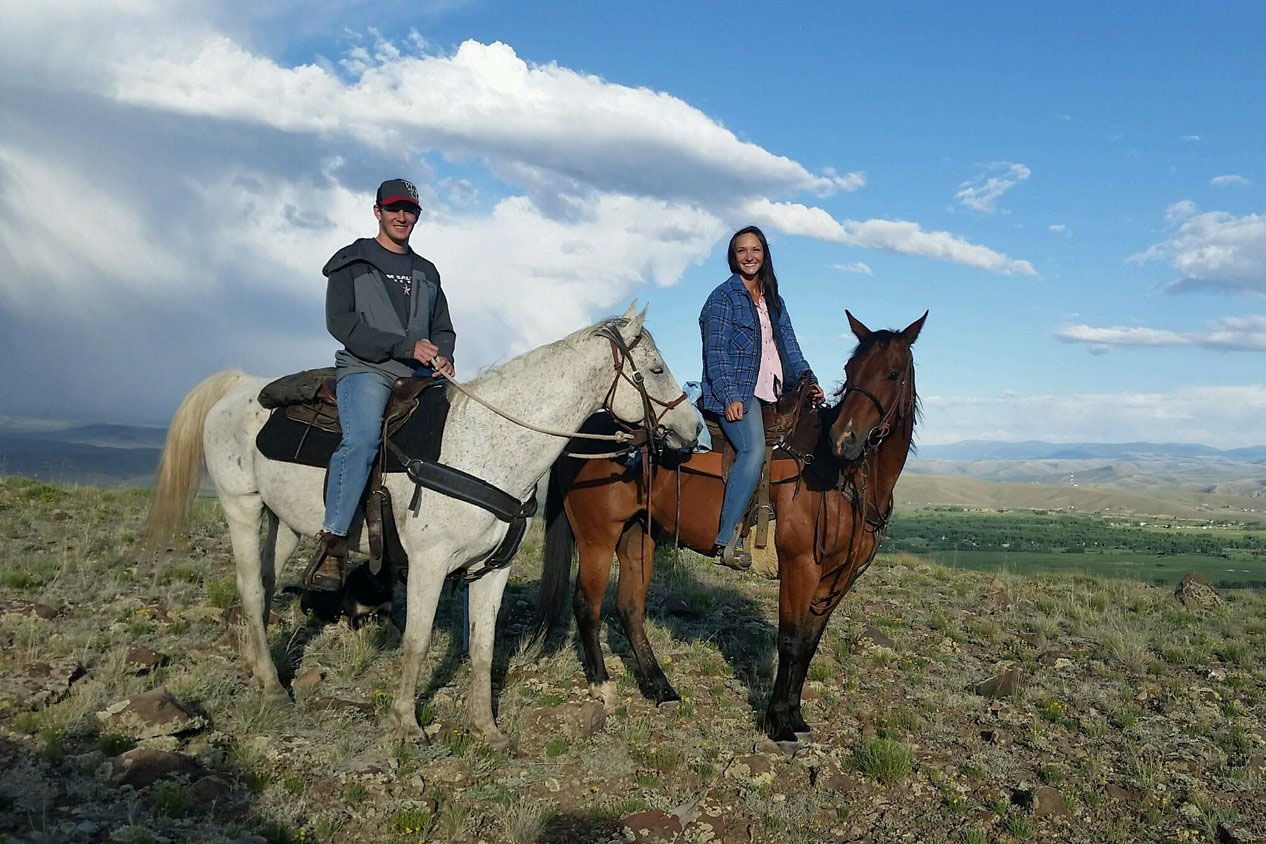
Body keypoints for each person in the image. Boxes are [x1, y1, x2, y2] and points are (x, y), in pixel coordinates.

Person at [305, 178, 457, 591]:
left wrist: (444, 354)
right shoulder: (350, 263)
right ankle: (332, 545)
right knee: (362, 441)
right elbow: (342, 325)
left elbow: (442, 327)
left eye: (409, 210)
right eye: (394, 209)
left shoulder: (427, 271)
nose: (402, 216)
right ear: (377, 212)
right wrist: (406, 345)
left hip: (420, 377)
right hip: (367, 368)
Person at [699, 226, 822, 569]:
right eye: (742, 251)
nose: (749, 256)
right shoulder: (723, 298)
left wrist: (809, 382)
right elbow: (715, 352)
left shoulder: (774, 300)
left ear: (764, 254)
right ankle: (726, 541)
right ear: (733, 257)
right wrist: (728, 396)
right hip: (738, 391)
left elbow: (790, 350)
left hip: (774, 392)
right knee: (752, 451)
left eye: (755, 249)